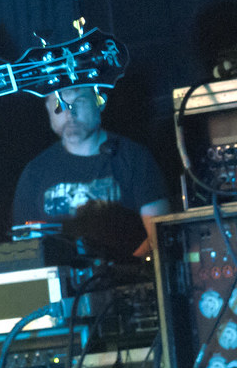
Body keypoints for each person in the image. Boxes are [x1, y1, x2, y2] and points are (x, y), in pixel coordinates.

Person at [11, 85, 170, 259]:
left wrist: (125, 272)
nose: (69, 113)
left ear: (99, 103)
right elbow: (25, 248)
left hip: (130, 279)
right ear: (48, 109)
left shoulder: (134, 159)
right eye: (59, 103)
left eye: (79, 102)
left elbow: (161, 234)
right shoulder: (35, 172)